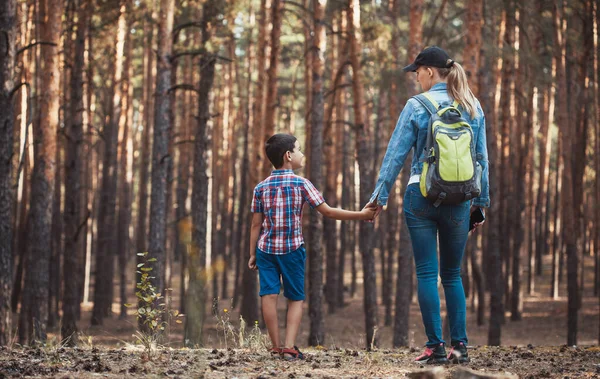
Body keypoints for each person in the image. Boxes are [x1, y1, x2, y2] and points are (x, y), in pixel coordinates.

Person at [367, 46, 490, 364]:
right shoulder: (472, 105)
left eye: (417, 72)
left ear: (431, 72)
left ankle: (435, 347)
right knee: (452, 274)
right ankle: (460, 347)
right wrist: (481, 204)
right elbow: (481, 160)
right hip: (460, 200)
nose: (415, 77)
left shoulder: (417, 105)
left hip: (420, 195)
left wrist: (379, 197)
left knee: (426, 272)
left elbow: (395, 153)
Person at [248, 133, 375, 360]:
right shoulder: (301, 183)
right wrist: (361, 214)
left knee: (268, 295)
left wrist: (252, 253)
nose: (302, 154)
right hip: (293, 250)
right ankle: (289, 347)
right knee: (295, 297)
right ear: (288, 156)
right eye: (299, 150)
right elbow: (327, 211)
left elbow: (256, 223)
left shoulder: (261, 187)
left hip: (265, 250)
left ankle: (275, 346)